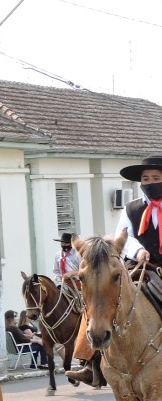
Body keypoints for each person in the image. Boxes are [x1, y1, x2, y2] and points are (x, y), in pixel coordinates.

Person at [68, 154, 162, 385]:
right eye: (146, 179)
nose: (150, 182)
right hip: (138, 264)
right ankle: (90, 364)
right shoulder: (131, 208)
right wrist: (138, 250)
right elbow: (124, 235)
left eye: (156, 178)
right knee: (98, 299)